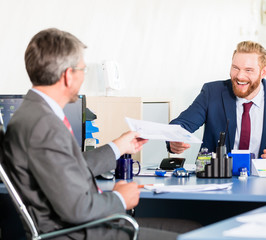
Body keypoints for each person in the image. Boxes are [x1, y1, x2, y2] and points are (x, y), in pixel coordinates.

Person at [3, 28, 178, 240]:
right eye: (82, 70)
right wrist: (120, 198)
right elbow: (77, 209)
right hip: (80, 234)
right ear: (68, 75)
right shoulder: (43, 126)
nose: (83, 77)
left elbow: (65, 167)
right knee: (192, 232)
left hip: (80, 228)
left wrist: (118, 147)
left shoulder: (33, 113)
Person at [167, 41, 266, 167]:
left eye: (248, 70)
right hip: (216, 178)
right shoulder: (212, 92)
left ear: (263, 72)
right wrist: (174, 140)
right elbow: (181, 124)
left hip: (263, 180)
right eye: (235, 68)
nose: (240, 76)